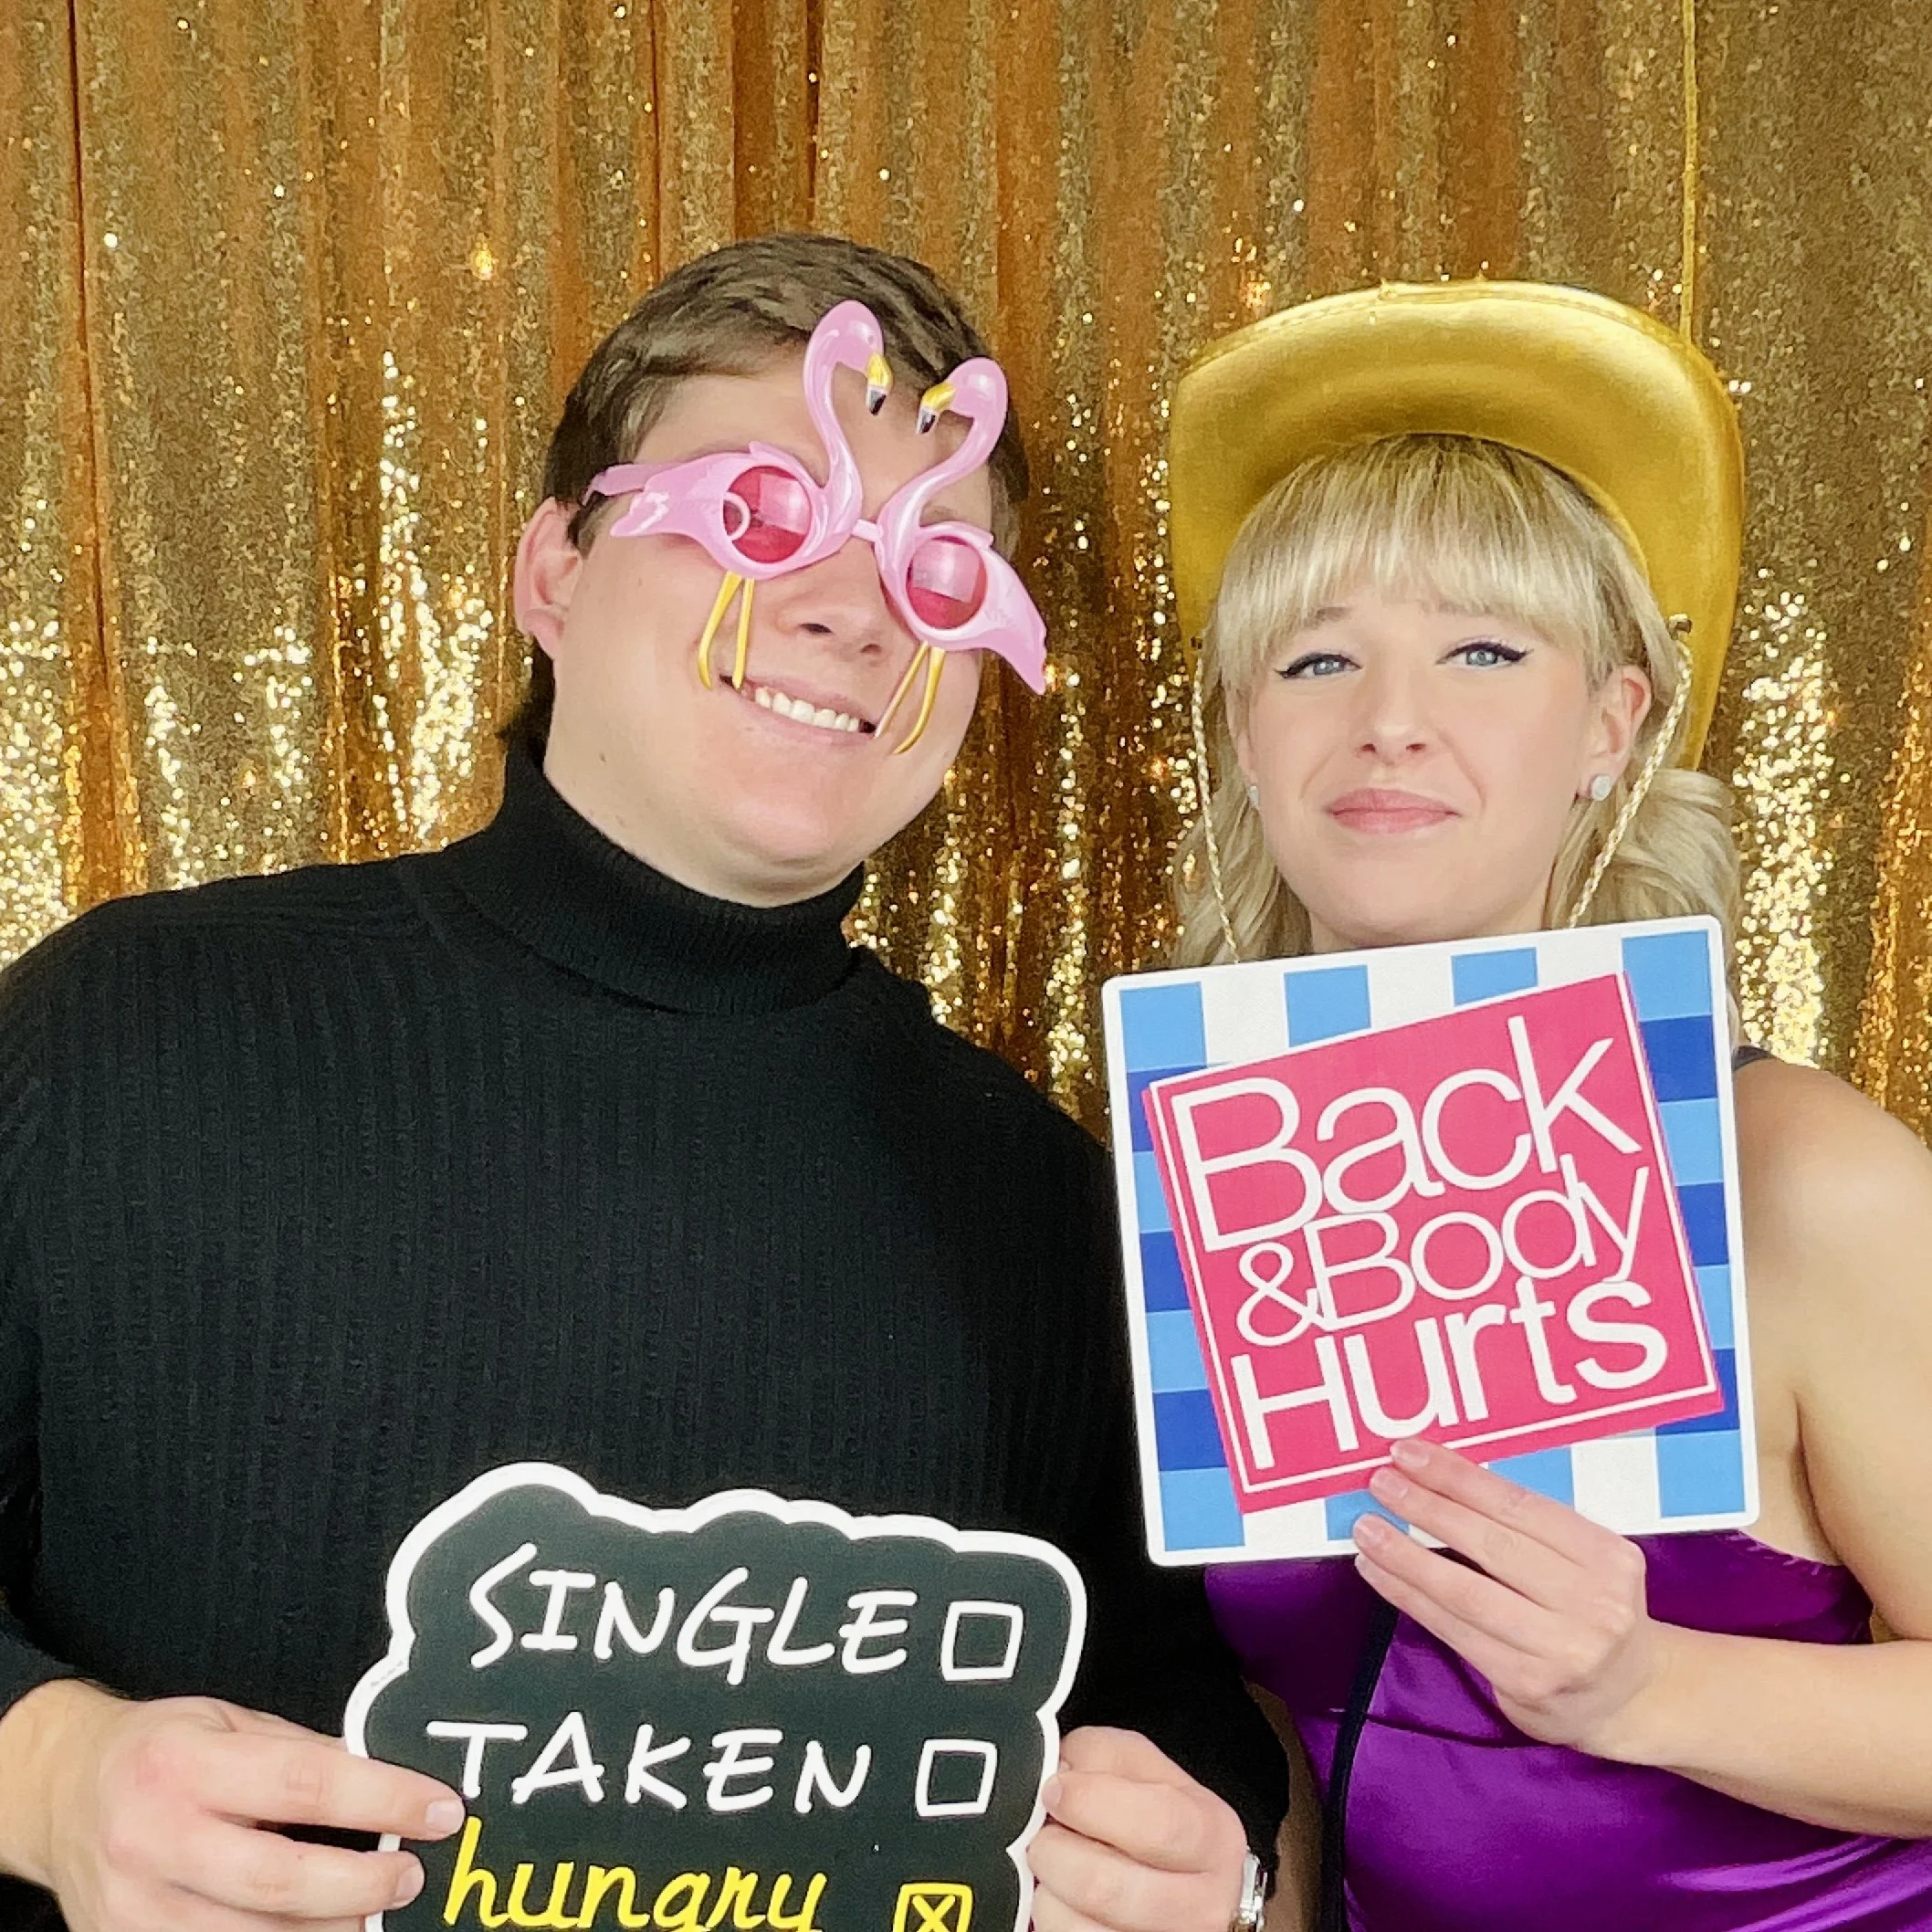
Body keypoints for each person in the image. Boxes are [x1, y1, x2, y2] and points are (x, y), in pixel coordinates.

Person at [0, 232, 1286, 1932]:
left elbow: (1192, 1718)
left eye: (941, 568)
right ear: (553, 570)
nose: (850, 605)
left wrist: (1216, 1865)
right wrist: (46, 1772)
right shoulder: (127, 1026)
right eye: (761, 510)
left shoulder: (1052, 1204)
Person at [1163, 279, 1932, 1931]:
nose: (1389, 721)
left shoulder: (1804, 1181)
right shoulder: (1214, 1181)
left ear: (1611, 725)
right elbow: (1314, 1728)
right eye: (1316, 657)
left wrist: (1646, 1686)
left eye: (1483, 650)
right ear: (1244, 727)